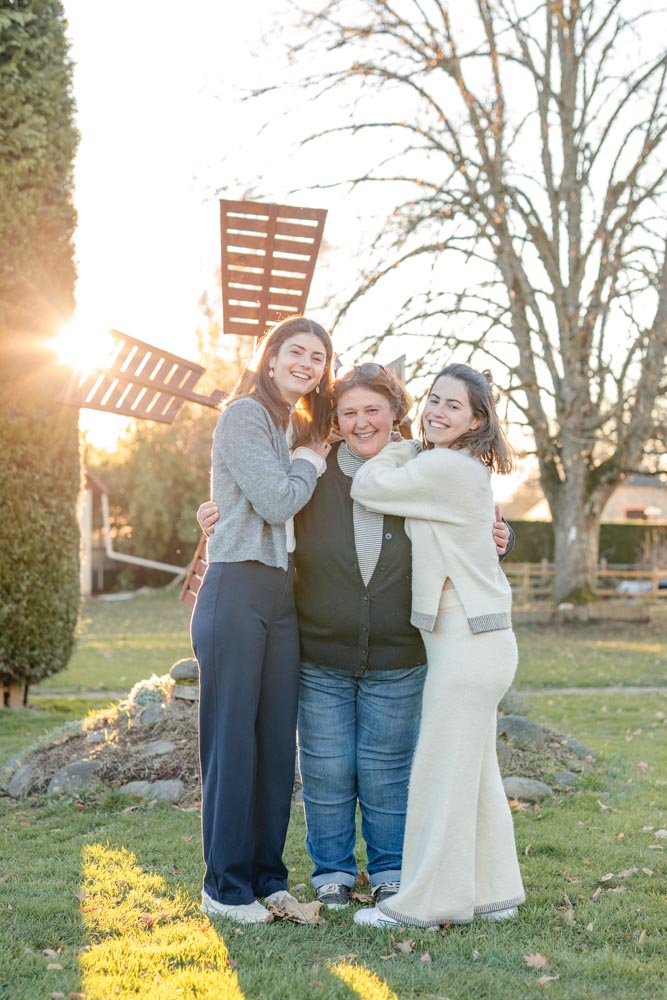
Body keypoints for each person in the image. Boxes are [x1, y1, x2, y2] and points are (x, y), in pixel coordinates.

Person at [197, 363, 513, 913]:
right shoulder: (311, 474)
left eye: (374, 410)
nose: (363, 421)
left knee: (388, 768)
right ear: (336, 424)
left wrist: (502, 535)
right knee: (326, 767)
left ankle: (390, 869)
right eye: (350, 413)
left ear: (396, 414)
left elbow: (466, 524)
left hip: (399, 650)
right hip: (322, 648)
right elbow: (259, 499)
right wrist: (215, 514)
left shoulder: (425, 466)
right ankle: (333, 872)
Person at [351, 363, 525, 929]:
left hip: (470, 644)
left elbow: (368, 486)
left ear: (476, 421)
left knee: (440, 774)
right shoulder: (458, 468)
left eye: (453, 405)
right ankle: (495, 893)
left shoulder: (445, 466)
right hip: (476, 641)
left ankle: (427, 904)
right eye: (433, 399)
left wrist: (402, 444)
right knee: (473, 773)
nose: (436, 411)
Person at [190, 315, 334, 925]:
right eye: (296, 351)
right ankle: (224, 889)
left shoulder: (294, 425)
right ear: (270, 356)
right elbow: (276, 501)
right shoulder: (244, 414)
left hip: (280, 594)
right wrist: (308, 463)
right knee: (233, 745)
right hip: (236, 588)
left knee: (277, 746)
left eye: (319, 356)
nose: (307, 363)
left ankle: (267, 879)